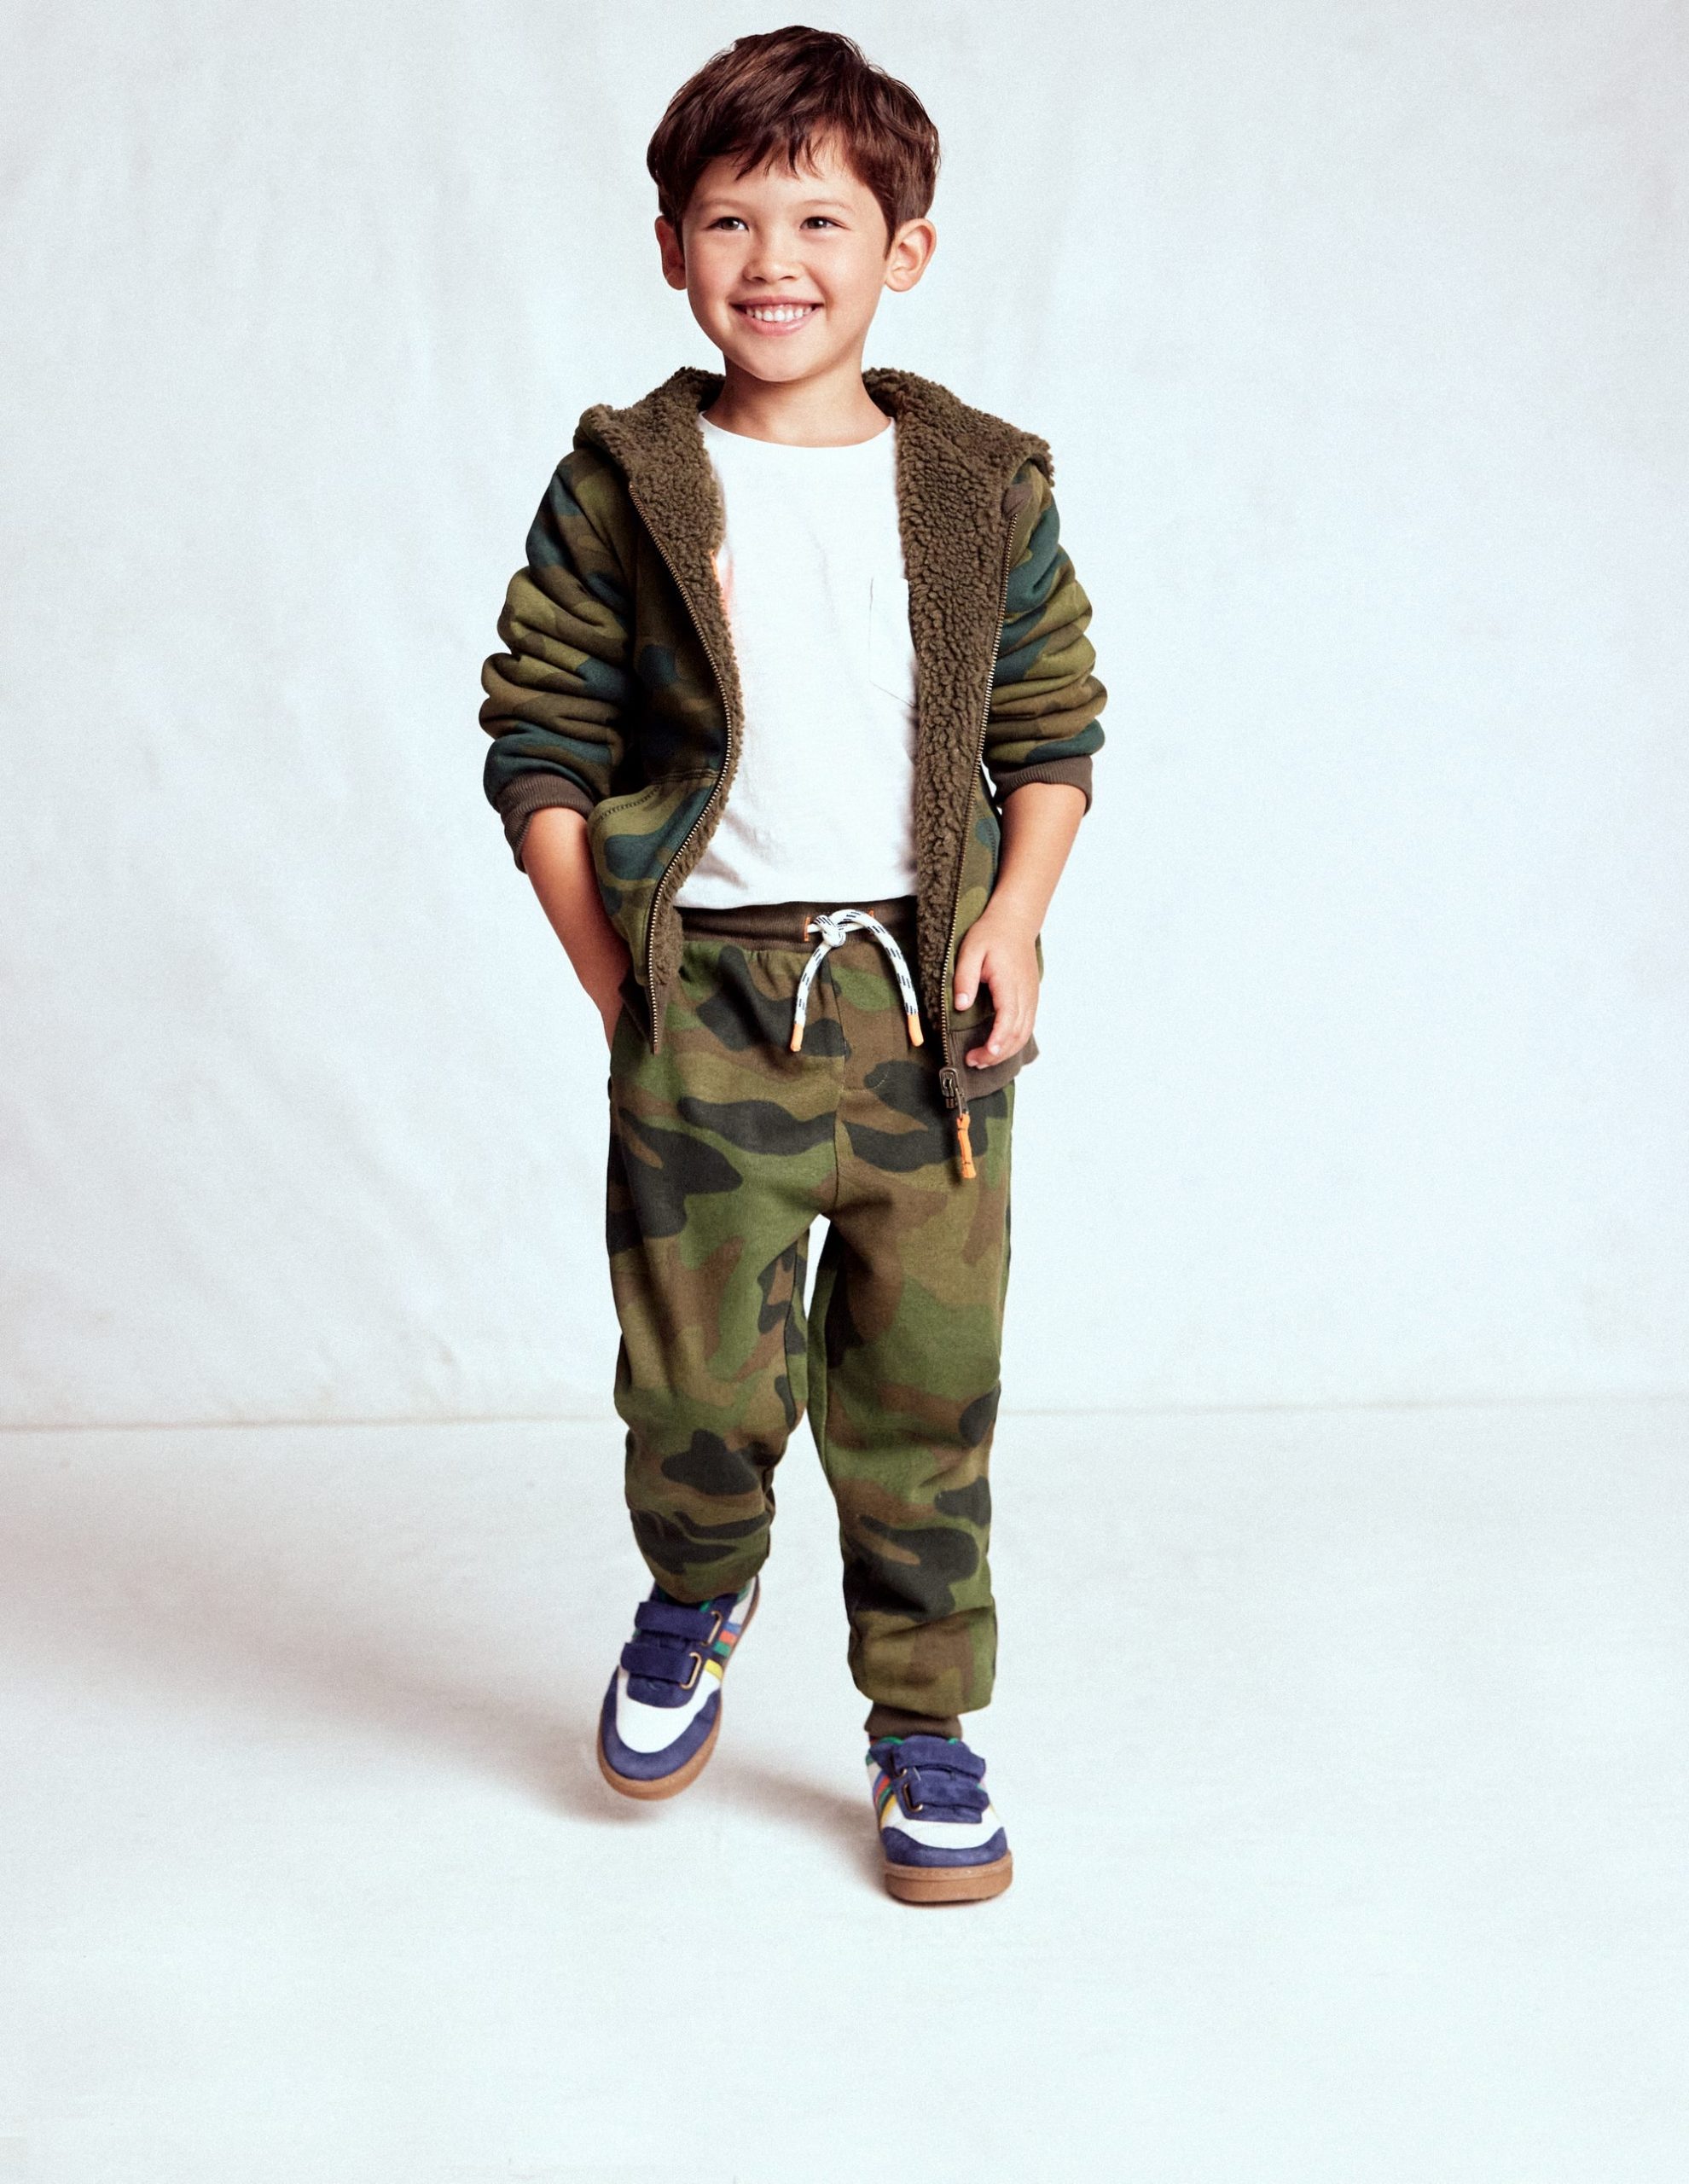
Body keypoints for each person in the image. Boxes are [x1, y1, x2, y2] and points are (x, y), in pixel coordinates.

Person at [478, 26, 1106, 1904]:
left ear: (904, 249)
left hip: (925, 1015)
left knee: (926, 1390)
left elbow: (1051, 729)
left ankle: (926, 1722)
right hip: (712, 1003)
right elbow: (540, 735)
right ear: (673, 245)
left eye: (822, 220)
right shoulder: (631, 477)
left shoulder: (981, 480)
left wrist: (1013, 918)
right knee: (696, 1385)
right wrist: (617, 975)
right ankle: (696, 1589)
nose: (775, 260)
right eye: (731, 219)